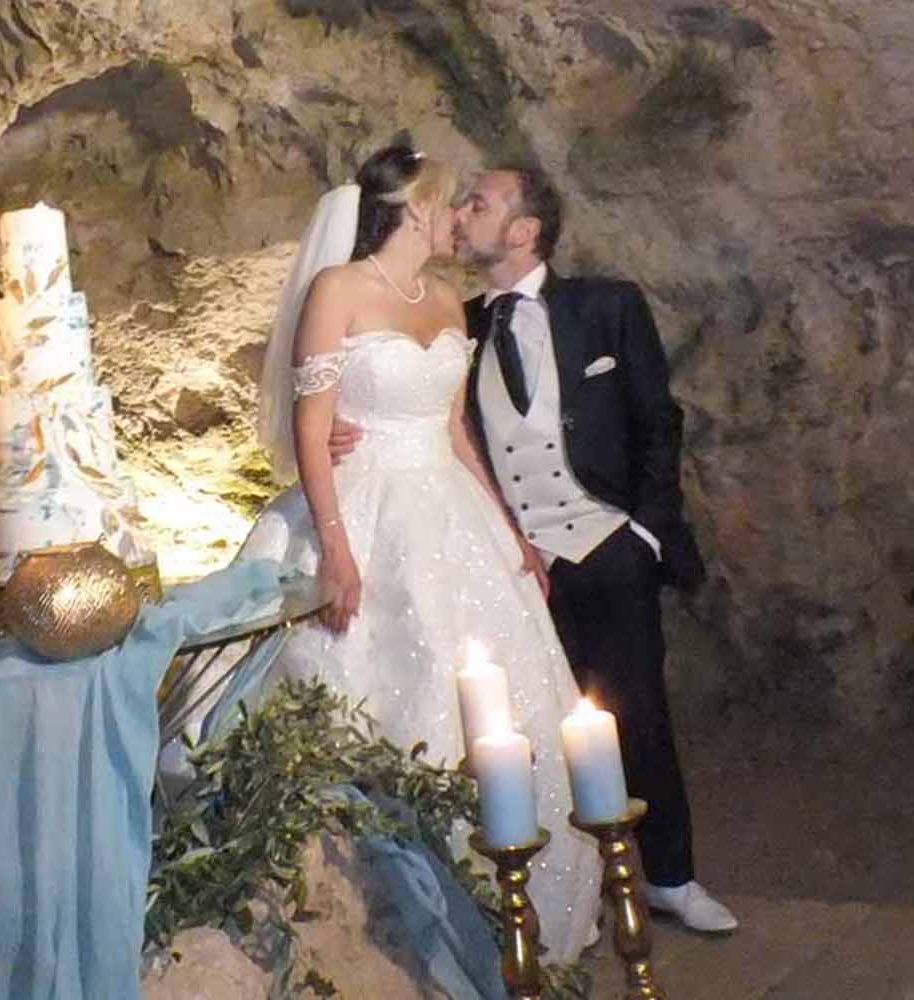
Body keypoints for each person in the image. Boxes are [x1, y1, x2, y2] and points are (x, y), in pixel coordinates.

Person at [332, 165, 737, 933]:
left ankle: (671, 878)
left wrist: (643, 534)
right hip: (512, 559)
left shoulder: (607, 306)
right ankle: (558, 889)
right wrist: (337, 430)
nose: (460, 214)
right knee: (527, 724)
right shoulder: (458, 321)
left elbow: (658, 422)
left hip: (606, 544)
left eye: (478, 203)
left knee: (636, 712)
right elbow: (414, 414)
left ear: (524, 230)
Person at [239, 142, 602, 964]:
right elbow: (311, 429)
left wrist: (509, 529)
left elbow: (456, 428)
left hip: (449, 506)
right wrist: (337, 552)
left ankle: (508, 906)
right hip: (365, 502)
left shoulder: (445, 299)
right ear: (413, 209)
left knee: (499, 693)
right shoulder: (338, 290)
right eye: (451, 203)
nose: (461, 219)